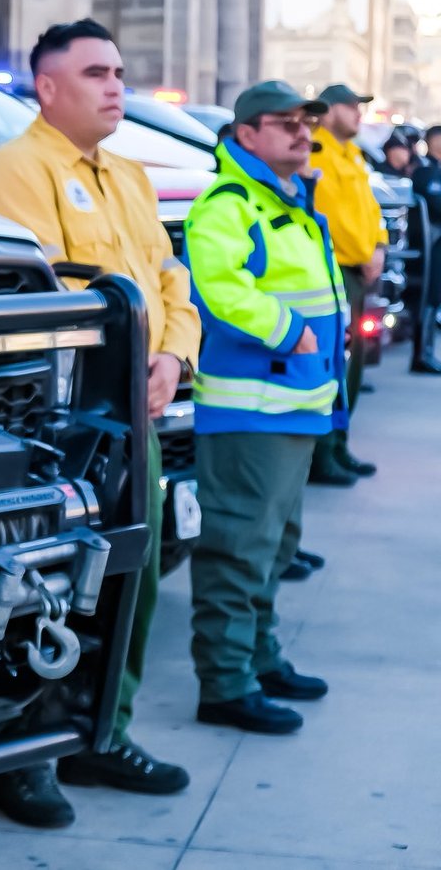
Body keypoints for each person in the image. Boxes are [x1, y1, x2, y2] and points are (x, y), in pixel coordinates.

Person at [0, 19, 198, 827]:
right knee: (47, 590)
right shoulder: (18, 172)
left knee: (130, 582)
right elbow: (29, 312)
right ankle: (26, 754)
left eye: (120, 72)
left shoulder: (129, 176)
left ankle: (104, 730)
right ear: (48, 87)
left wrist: (172, 358)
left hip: (137, 419)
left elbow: (170, 281)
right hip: (60, 430)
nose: (116, 86)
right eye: (97, 72)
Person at [183, 81, 341, 734]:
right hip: (251, 411)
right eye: (286, 124)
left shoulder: (287, 199)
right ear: (246, 134)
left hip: (295, 404)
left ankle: (260, 657)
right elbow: (218, 286)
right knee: (238, 547)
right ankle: (224, 683)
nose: (303, 134)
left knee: (275, 544)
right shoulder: (229, 202)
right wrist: (286, 330)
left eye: (307, 124)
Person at [306, 84, 385, 483]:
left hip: (356, 270)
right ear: (329, 109)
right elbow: (330, 217)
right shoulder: (316, 151)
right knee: (334, 365)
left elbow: (370, 209)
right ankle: (323, 455)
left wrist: (379, 246)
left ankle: (339, 446)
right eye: (351, 106)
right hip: (336, 269)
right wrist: (364, 252)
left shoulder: (351, 154)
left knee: (352, 367)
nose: (358, 113)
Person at [378, 128, 441, 373]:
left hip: (434, 246)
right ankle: (421, 354)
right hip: (428, 247)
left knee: (433, 300)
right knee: (427, 299)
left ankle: (425, 352)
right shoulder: (426, 172)